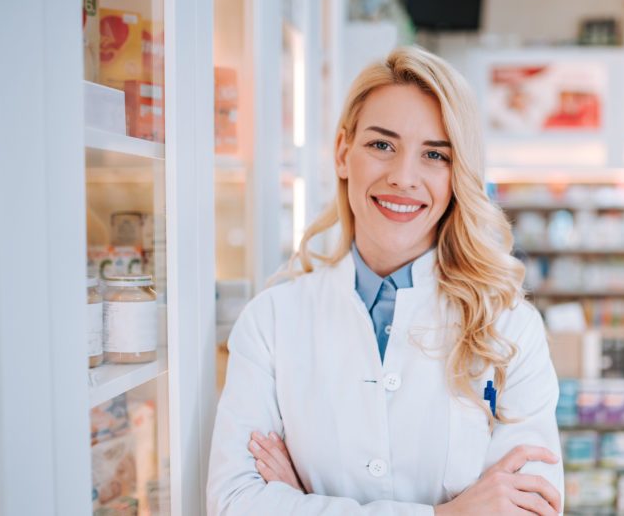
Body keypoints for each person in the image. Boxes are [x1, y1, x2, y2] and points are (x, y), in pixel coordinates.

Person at [207, 46, 564, 515]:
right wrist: (447, 514)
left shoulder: (510, 330)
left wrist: (301, 503)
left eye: (435, 155)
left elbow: (533, 507)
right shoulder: (271, 323)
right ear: (342, 153)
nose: (404, 177)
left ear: (458, 176)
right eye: (382, 145)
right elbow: (234, 504)